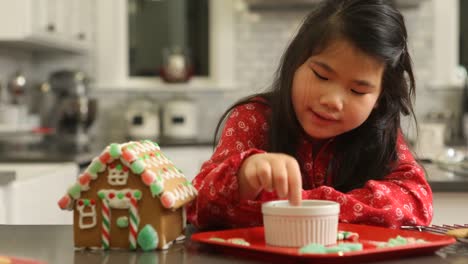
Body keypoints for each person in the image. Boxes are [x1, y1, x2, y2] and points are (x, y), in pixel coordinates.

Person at [187, 0, 433, 230]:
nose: (332, 101)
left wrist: (306, 204)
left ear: (379, 99)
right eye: (321, 76)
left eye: (358, 90)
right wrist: (243, 176)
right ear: (296, 64)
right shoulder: (253, 118)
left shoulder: (379, 131)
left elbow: (417, 200)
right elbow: (196, 204)